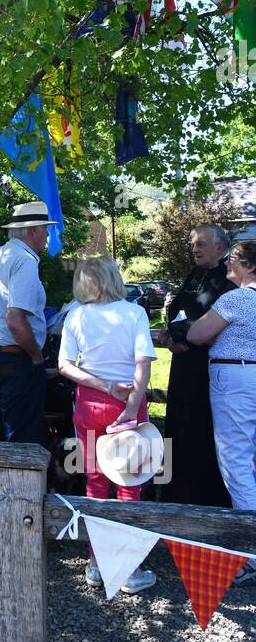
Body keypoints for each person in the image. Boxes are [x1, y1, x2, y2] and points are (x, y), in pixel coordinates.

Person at [57, 256, 158, 594]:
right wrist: (130, 405)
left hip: (89, 402)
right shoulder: (135, 313)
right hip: (128, 401)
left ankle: (97, 562)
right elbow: (143, 364)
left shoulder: (76, 315)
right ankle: (128, 567)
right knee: (130, 483)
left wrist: (102, 386)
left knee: (95, 481)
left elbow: (65, 366)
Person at [186, 238, 256, 585]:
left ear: (249, 267)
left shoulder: (238, 298)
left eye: (233, 262)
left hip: (235, 377)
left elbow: (199, 334)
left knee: (236, 458)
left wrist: (182, 328)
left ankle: (251, 551)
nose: (227, 266)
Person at [156, 224, 234, 507]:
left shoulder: (228, 280)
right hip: (181, 364)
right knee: (179, 424)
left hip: (205, 364)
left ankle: (205, 496)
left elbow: (214, 322)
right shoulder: (195, 273)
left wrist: (184, 339)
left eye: (201, 244)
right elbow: (177, 309)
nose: (195, 249)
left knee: (201, 428)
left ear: (221, 248)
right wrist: (168, 333)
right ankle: (177, 493)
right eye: (193, 245)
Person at [0, 200, 57, 449]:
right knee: (21, 437)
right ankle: (18, 489)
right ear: (33, 230)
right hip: (14, 357)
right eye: (45, 229)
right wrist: (36, 357)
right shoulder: (25, 261)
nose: (47, 235)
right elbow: (15, 318)